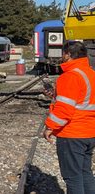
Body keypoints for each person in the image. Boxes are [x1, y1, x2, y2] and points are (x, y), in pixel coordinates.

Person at [43, 40, 95, 194]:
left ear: (68, 55)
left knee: (72, 177)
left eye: (63, 53)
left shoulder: (70, 76)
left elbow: (64, 110)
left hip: (72, 134)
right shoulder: (91, 74)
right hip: (89, 133)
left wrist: (49, 126)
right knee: (85, 173)